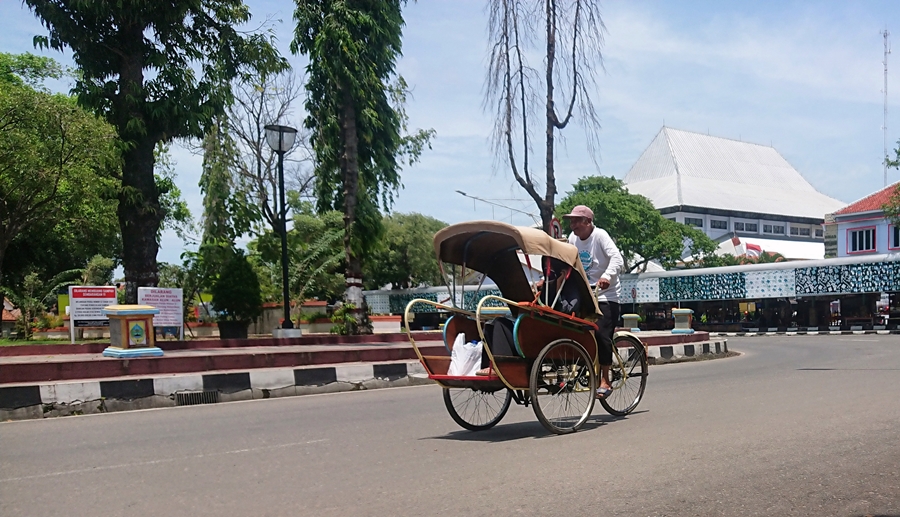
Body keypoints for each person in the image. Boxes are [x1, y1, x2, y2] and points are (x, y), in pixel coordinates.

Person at [563, 205, 624, 399]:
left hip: (606, 295)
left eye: (576, 221)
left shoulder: (600, 236)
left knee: (601, 334)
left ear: (588, 222)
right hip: (584, 293)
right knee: (570, 327)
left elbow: (617, 258)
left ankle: (605, 379)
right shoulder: (573, 239)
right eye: (571, 221)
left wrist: (606, 276)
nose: (572, 225)